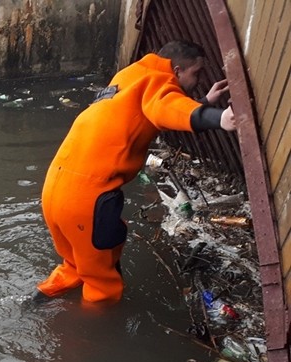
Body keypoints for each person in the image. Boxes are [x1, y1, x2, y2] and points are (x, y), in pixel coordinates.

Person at [34, 40, 237, 304]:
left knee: (75, 262)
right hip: (86, 200)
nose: (198, 80)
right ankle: (84, 339)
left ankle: (37, 301)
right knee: (103, 286)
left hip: (56, 188)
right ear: (176, 70)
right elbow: (167, 105)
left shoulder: (129, 76)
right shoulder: (157, 84)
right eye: (195, 73)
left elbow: (156, 112)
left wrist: (203, 103)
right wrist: (220, 118)